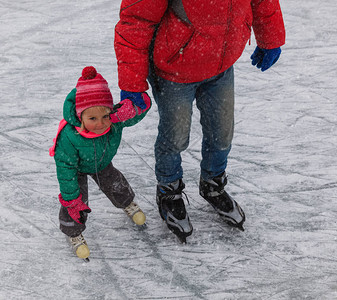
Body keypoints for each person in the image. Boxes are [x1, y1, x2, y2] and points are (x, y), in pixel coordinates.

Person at [114, 0, 285, 242]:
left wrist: (270, 38)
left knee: (223, 132)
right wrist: (132, 84)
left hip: (221, 64)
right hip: (174, 68)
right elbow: (136, 22)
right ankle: (168, 190)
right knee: (175, 137)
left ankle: (213, 184)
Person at [49, 66, 151, 260]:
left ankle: (127, 203)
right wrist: (71, 198)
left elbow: (138, 111)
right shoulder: (70, 136)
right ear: (80, 116)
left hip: (102, 163)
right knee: (76, 201)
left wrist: (139, 103)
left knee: (115, 183)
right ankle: (74, 232)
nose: (101, 123)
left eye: (105, 116)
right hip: (77, 169)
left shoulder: (114, 122)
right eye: (92, 118)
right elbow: (65, 169)